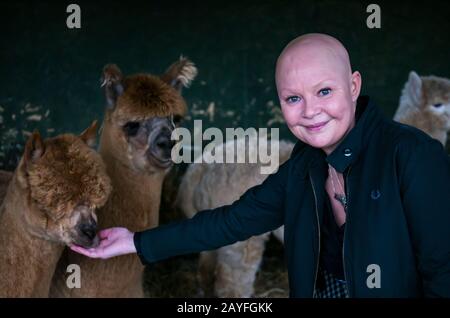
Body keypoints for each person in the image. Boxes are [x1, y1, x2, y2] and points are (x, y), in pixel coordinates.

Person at [71, 33, 450, 298]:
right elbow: (233, 221)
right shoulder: (303, 165)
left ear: (353, 86)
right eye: (292, 98)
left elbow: (441, 271)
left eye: (324, 91)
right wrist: (136, 241)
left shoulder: (414, 157)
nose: (311, 111)